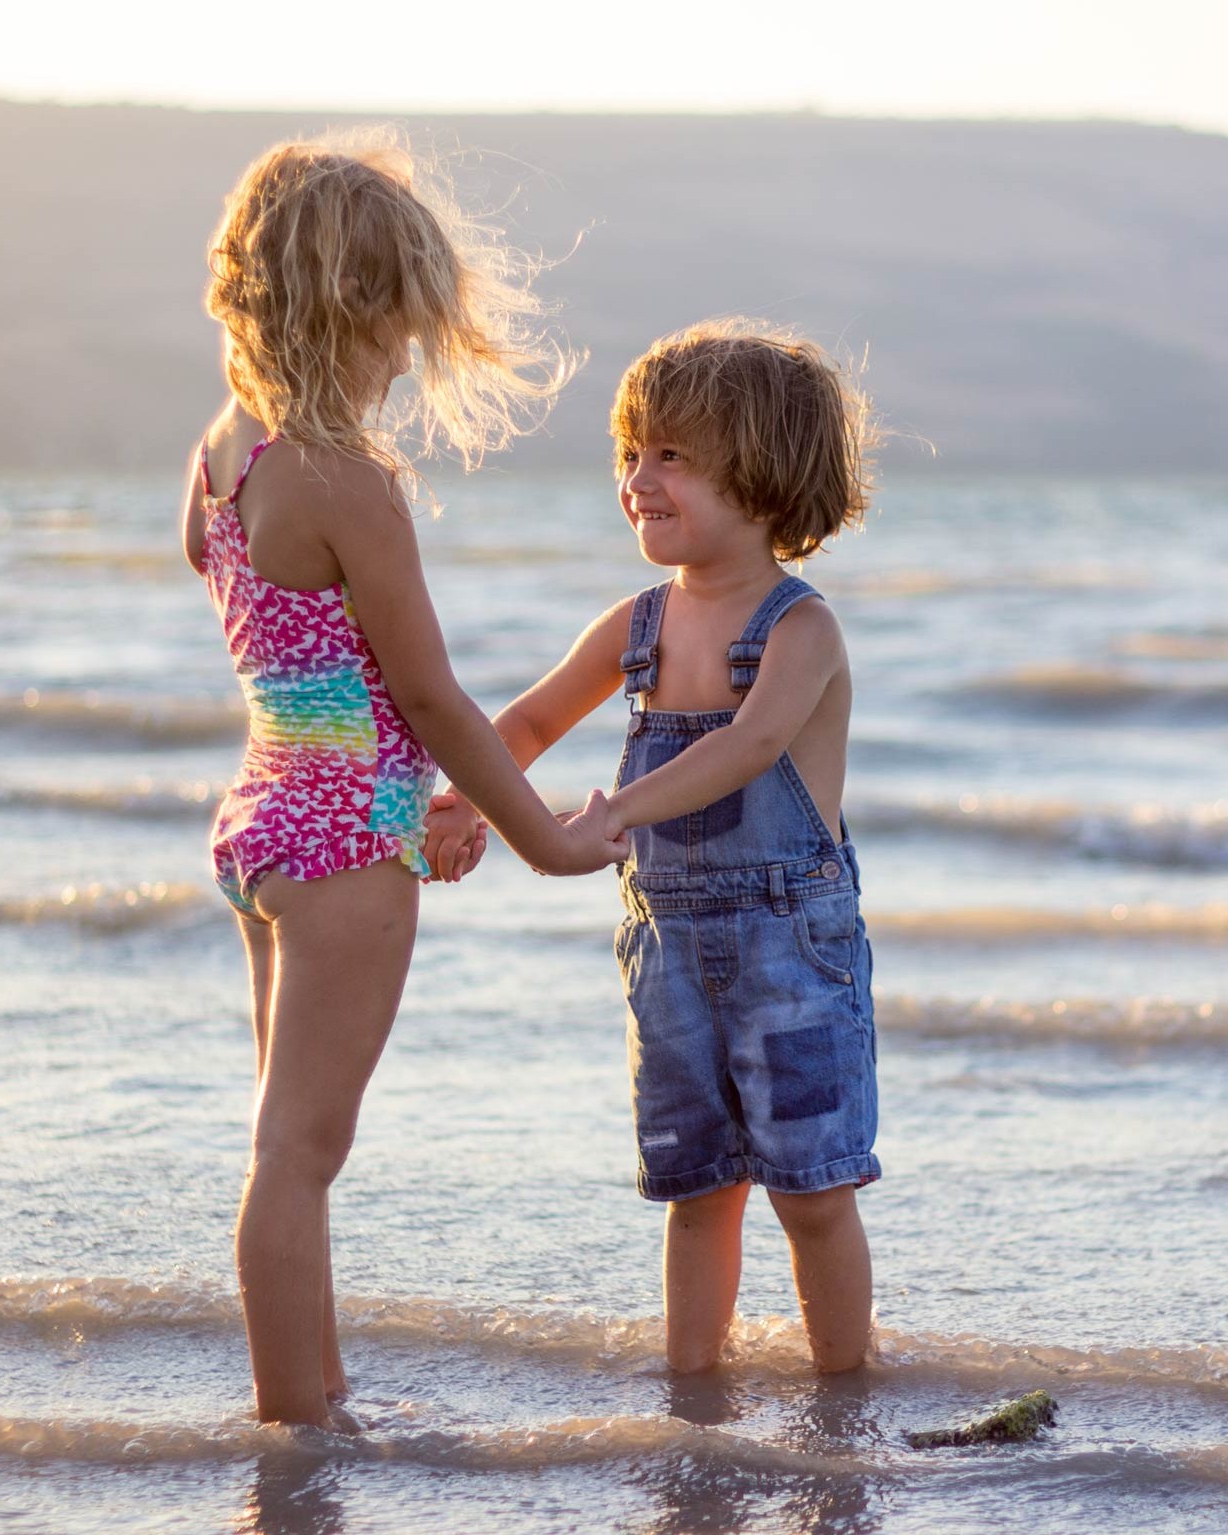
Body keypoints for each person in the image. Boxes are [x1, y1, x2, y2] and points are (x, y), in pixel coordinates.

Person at [181, 134, 625, 1428]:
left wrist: (370, 774)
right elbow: (427, 694)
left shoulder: (227, 454)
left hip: (263, 822)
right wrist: (542, 834)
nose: (404, 365)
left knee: (291, 1149)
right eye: (399, 334)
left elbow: (246, 612)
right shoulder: (346, 483)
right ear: (355, 315)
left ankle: (316, 1398)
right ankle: (294, 1432)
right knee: (298, 1155)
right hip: (340, 859)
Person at [428, 318, 883, 1373]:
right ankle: (694, 1390)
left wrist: (613, 814)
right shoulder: (634, 624)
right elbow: (530, 724)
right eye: (632, 453)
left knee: (812, 1191)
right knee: (696, 1188)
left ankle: (844, 1390)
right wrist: (466, 799)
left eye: (672, 454)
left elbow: (749, 744)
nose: (639, 477)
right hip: (671, 954)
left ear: (764, 475)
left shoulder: (799, 629)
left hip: (792, 952)